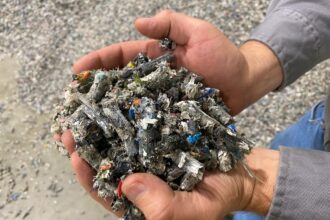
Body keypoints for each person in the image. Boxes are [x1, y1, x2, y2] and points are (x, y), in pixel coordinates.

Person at [54, 0, 330, 219]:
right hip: (323, 124)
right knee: (284, 153)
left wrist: (259, 189)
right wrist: (251, 68)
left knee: (256, 196)